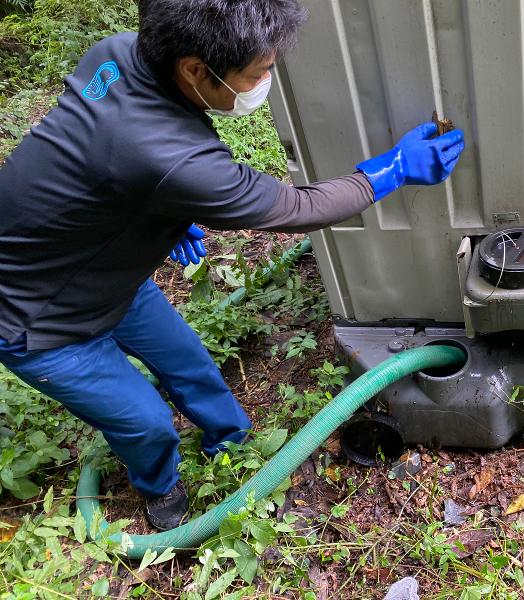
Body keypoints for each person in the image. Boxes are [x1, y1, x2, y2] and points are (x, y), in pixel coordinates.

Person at [0, 0, 465, 530]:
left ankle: (232, 442)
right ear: (195, 69)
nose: (267, 79)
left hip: (110, 276)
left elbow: (94, 160)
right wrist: (394, 169)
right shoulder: (168, 158)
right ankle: (160, 487)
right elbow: (297, 207)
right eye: (259, 72)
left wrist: (154, 213)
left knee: (190, 363)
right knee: (145, 422)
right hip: (37, 321)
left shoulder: (118, 55)